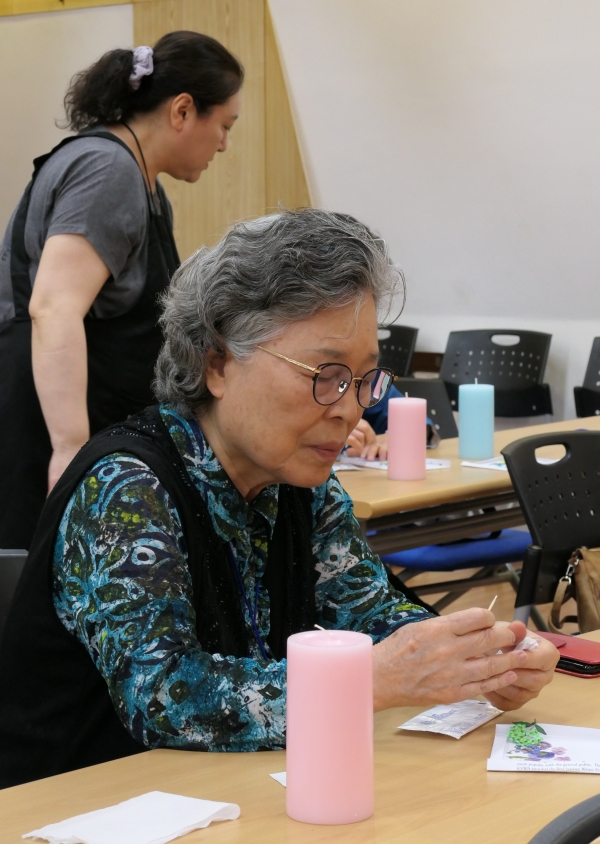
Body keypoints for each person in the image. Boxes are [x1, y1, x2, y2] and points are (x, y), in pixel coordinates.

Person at [0, 210, 559, 788]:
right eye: (324, 374)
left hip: (221, 794)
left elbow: (371, 615)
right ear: (217, 364)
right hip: (76, 805)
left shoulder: (299, 480)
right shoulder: (125, 489)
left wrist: (482, 657)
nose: (350, 409)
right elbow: (163, 695)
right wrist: (368, 679)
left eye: (362, 380)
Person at [0, 31, 243, 551]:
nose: (224, 144)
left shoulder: (144, 183)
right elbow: (53, 307)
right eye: (224, 125)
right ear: (182, 110)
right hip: (43, 428)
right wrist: (69, 450)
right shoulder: (108, 169)